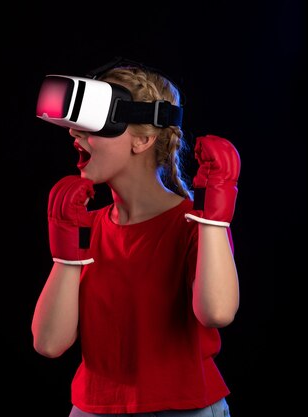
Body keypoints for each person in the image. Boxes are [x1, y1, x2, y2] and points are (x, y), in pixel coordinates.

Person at [31, 59, 240, 416]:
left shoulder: (194, 225)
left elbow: (217, 312)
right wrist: (67, 253)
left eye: (93, 124)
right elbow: (49, 344)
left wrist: (215, 219)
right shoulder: (86, 228)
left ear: (143, 139)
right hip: (93, 408)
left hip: (185, 407)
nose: (74, 134)